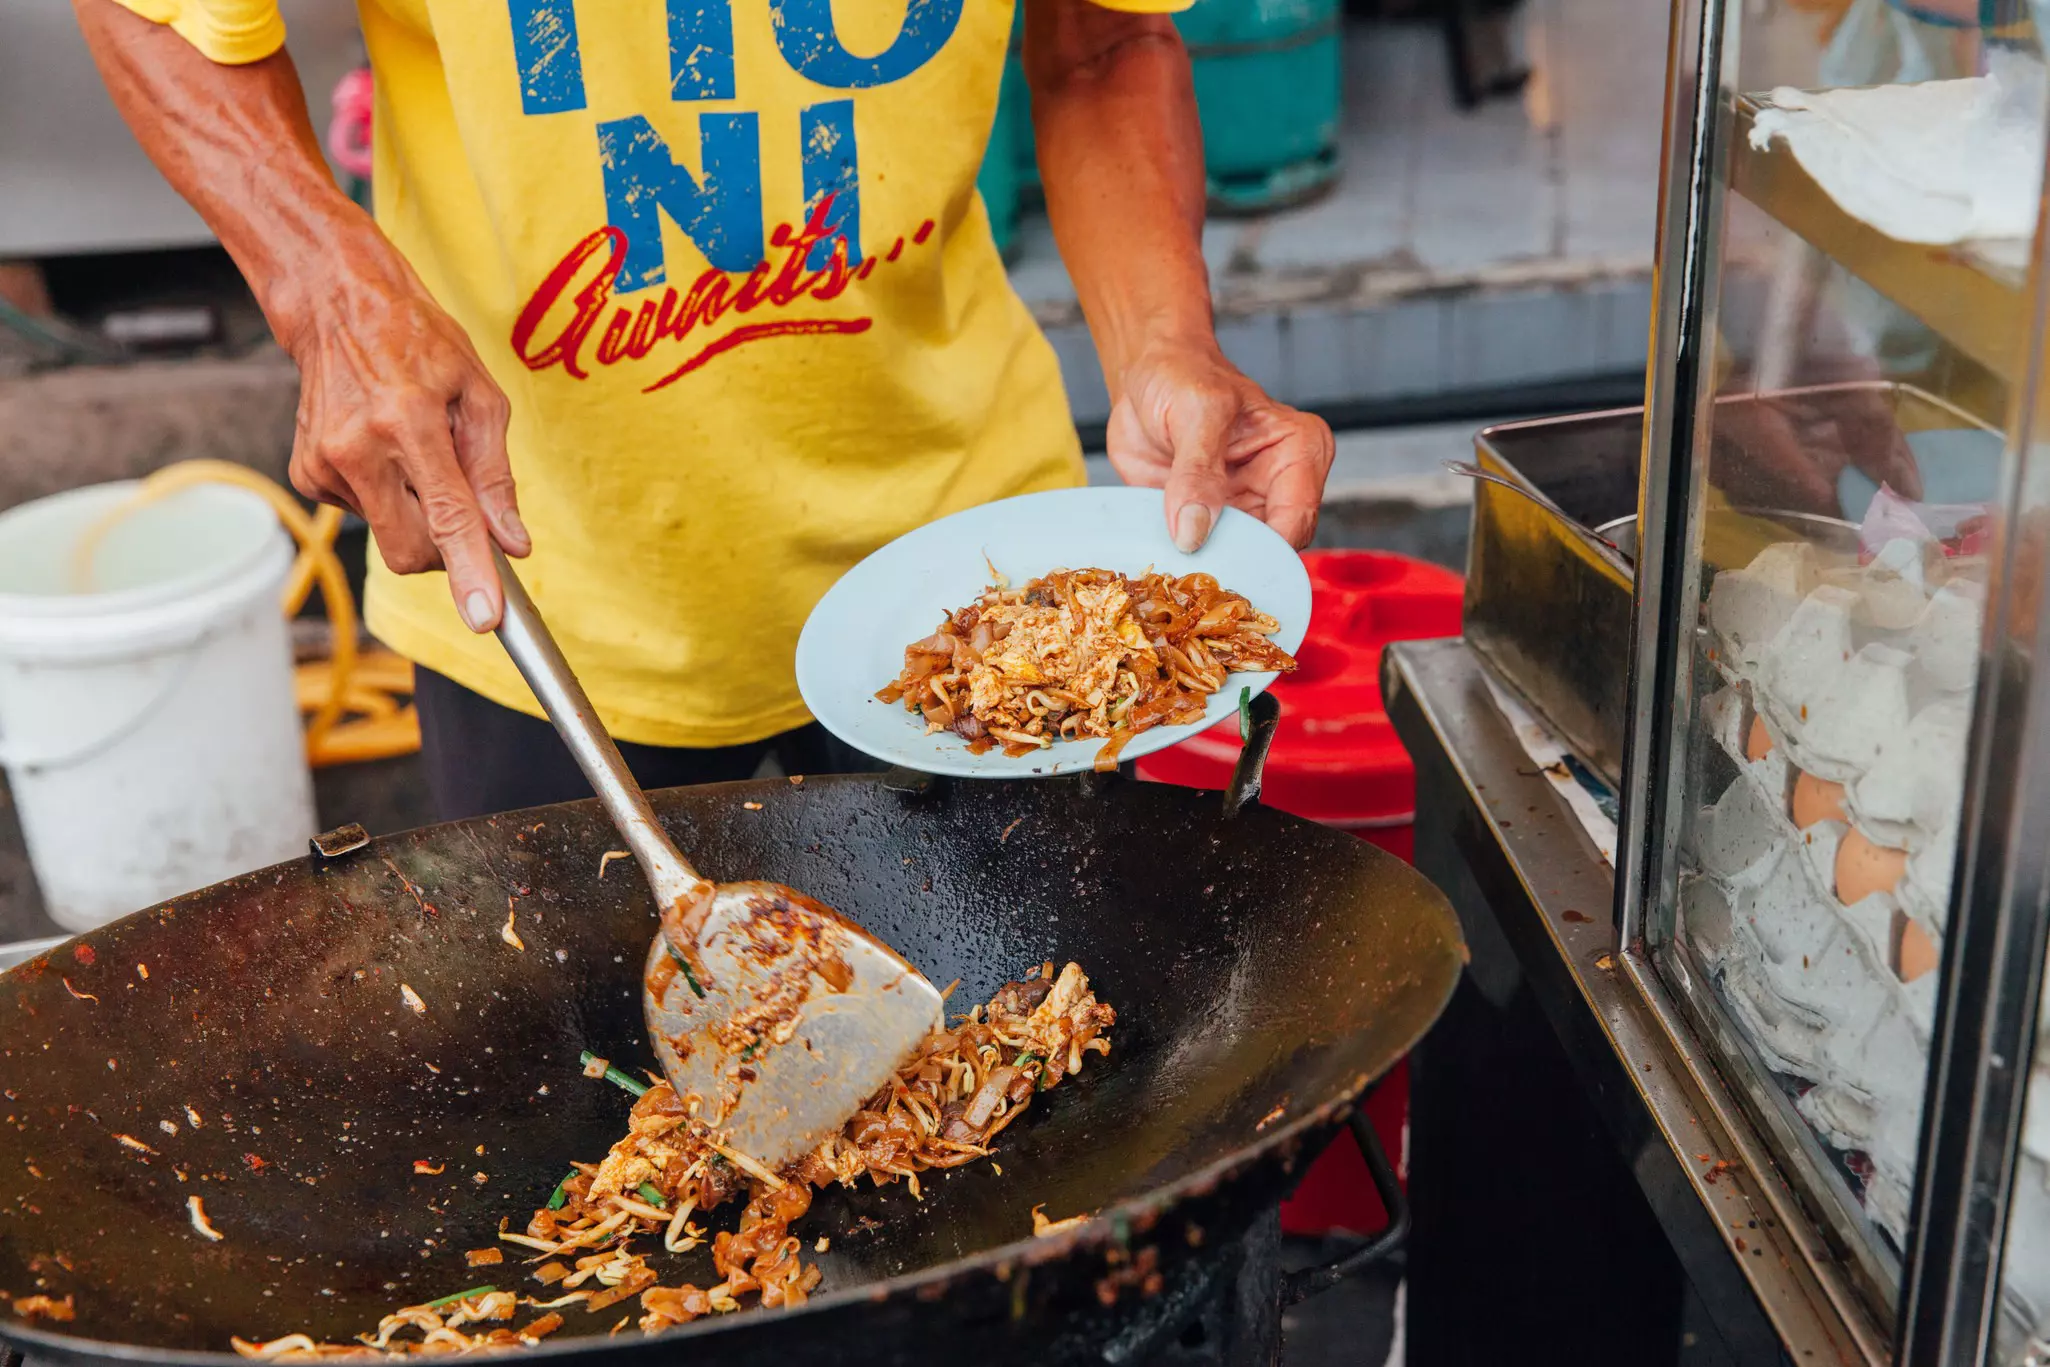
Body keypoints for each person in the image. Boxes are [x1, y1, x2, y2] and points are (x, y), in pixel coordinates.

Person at [75, 0, 1335, 819]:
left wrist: (1166, 341)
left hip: (972, 579)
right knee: (603, 1150)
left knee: (1031, 1101)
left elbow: (1100, 38)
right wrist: (327, 286)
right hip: (543, 588)